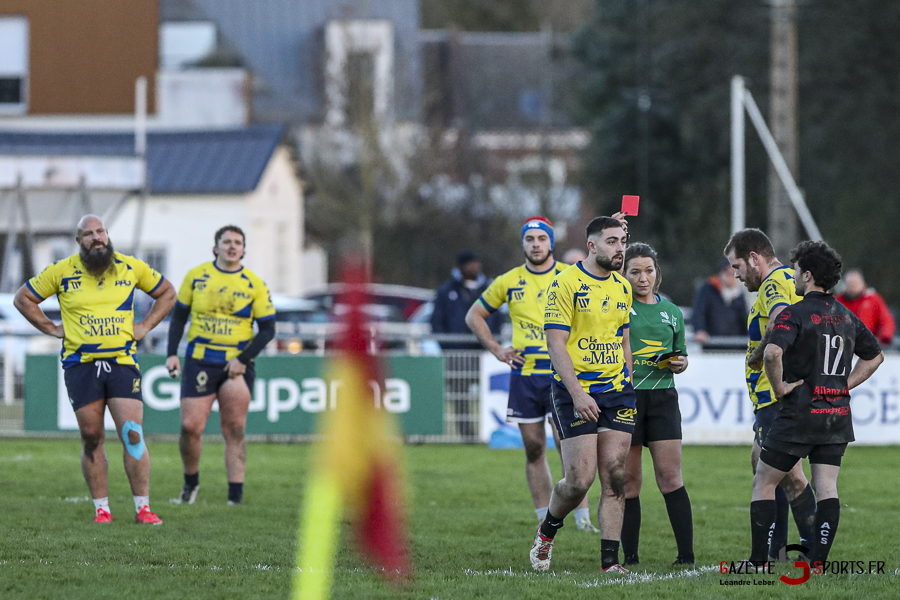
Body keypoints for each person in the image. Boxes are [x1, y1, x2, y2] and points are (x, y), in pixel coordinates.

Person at [13, 214, 175, 524]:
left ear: (107, 234)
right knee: (91, 436)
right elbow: (24, 299)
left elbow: (168, 293)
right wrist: (50, 327)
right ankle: (102, 509)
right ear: (79, 241)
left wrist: (144, 326)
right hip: (80, 365)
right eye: (88, 234)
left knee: (132, 434)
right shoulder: (61, 271)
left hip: (122, 361)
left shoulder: (130, 267)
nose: (96, 238)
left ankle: (143, 508)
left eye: (100, 231)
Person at [749, 240, 883, 566]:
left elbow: (771, 352)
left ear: (807, 276)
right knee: (827, 487)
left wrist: (779, 387)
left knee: (764, 481)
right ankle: (819, 562)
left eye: (796, 271)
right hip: (835, 414)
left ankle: (759, 561)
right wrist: (843, 385)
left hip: (799, 413)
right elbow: (875, 356)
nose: (793, 276)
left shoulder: (794, 314)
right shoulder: (847, 316)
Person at [465, 216, 598, 533]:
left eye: (541, 239)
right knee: (534, 448)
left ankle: (582, 519)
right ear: (523, 244)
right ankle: (544, 517)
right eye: (530, 239)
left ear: (551, 242)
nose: (536, 244)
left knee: (568, 446)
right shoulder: (510, 280)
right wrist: (497, 349)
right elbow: (475, 315)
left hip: (561, 375)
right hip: (525, 376)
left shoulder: (569, 276)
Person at [529, 216, 634, 573]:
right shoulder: (566, 283)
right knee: (578, 481)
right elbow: (555, 344)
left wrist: (629, 381)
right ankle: (547, 533)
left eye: (622, 241)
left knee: (616, 475)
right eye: (611, 242)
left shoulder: (623, 286)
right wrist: (577, 394)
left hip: (617, 392)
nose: (619, 248)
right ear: (591, 246)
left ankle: (610, 563)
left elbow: (623, 340)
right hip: (575, 391)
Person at [166, 225, 276, 506]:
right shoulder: (197, 276)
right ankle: (191, 485)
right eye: (226, 242)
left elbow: (267, 330)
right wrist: (172, 353)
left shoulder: (255, 284)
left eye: (237, 242)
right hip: (200, 359)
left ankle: (235, 497)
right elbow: (178, 318)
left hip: (235, 364)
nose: (232, 246)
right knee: (190, 427)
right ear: (216, 248)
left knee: (235, 428)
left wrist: (243, 358)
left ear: (243, 249)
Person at [724, 228, 817, 559]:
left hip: (778, 398)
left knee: (787, 477)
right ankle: (778, 550)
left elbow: (779, 320)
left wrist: (758, 353)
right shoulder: (783, 282)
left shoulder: (775, 281)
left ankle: (808, 554)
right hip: (773, 398)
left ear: (754, 259)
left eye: (737, 267)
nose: (735, 276)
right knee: (764, 467)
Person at [619, 243, 694, 566]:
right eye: (635, 271)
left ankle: (686, 557)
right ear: (624, 275)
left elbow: (682, 355)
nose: (642, 278)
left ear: (657, 273)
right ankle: (631, 557)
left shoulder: (672, 312)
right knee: (630, 481)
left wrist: (680, 363)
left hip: (663, 398)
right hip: (627, 398)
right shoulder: (618, 308)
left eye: (648, 270)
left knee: (670, 477)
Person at [431, 251, 500, 350]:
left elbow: (497, 318)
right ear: (461, 267)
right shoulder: (447, 290)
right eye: (470, 264)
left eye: (476, 263)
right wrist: (446, 344)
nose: (474, 267)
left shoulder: (488, 290)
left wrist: (492, 342)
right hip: (455, 351)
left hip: (483, 351)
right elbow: (437, 320)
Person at [692, 258, 748, 346]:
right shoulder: (708, 290)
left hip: (735, 346)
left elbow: (744, 319)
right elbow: (699, 312)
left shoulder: (739, 294)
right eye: (728, 273)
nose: (731, 277)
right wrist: (700, 330)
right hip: (711, 345)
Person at [836, 269, 895, 347]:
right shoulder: (838, 301)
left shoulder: (872, 299)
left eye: (855, 284)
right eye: (850, 284)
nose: (852, 287)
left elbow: (886, 319)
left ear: (862, 284)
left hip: (868, 344)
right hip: (843, 344)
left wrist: (885, 337)